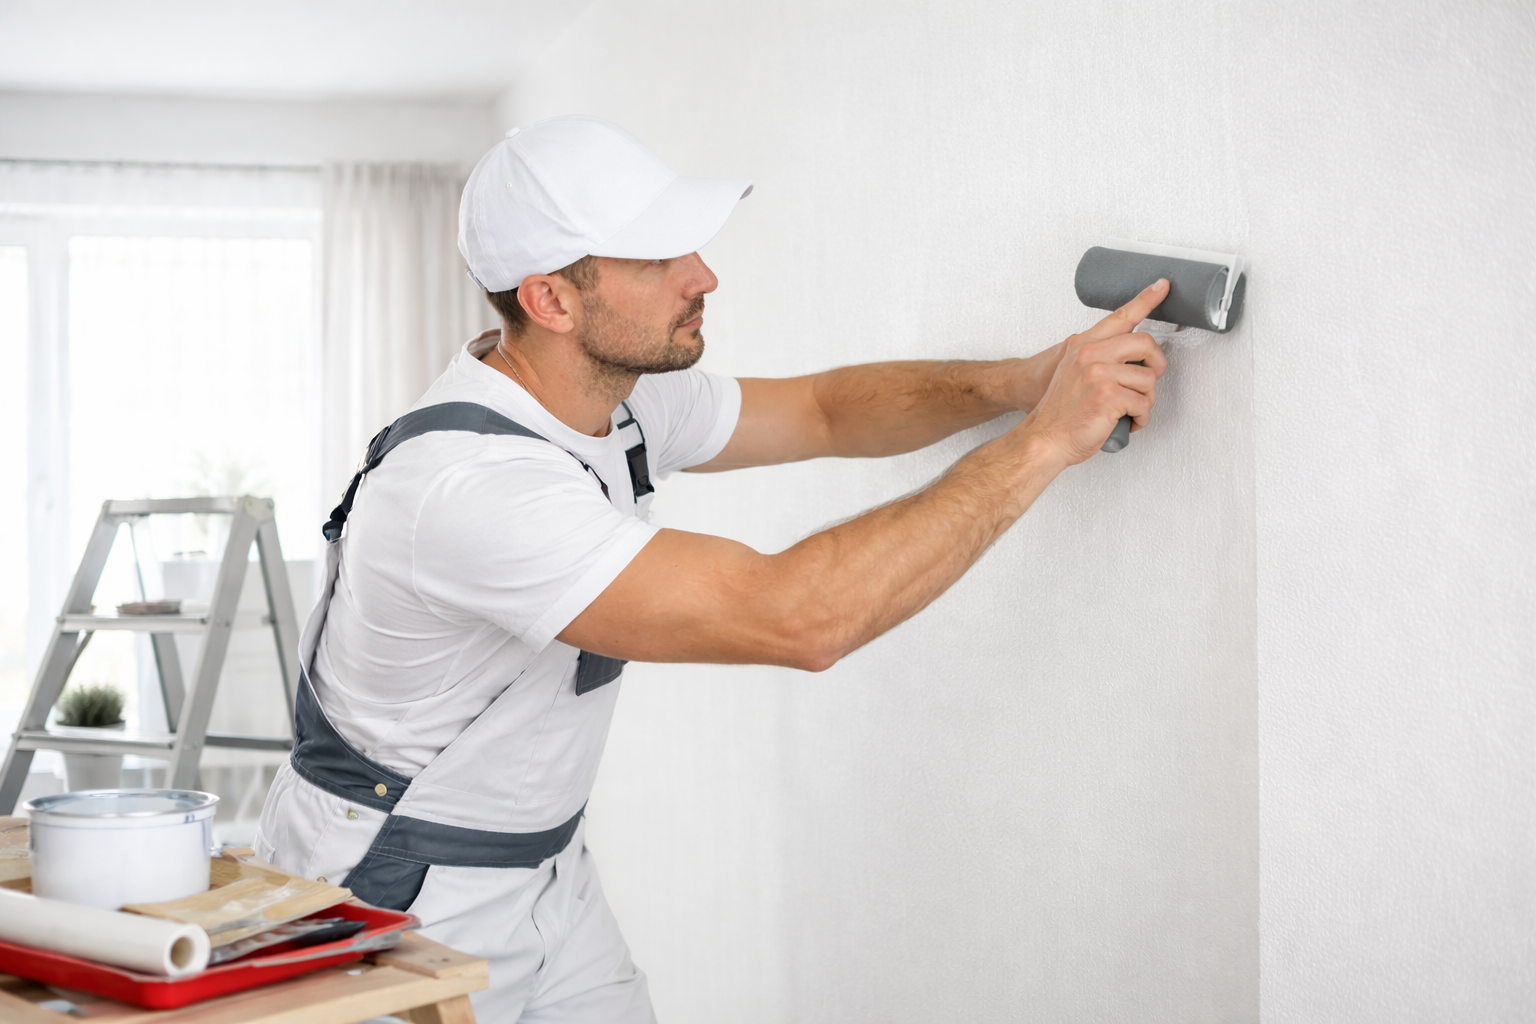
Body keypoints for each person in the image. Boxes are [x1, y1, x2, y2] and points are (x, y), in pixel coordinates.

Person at [255, 114, 1167, 1022]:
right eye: (656, 258)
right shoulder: (474, 486)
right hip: (392, 885)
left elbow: (821, 412)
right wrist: (1047, 441)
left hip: (543, 864)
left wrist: (1019, 382)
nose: (704, 276)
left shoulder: (616, 396)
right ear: (552, 301)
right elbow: (798, 618)